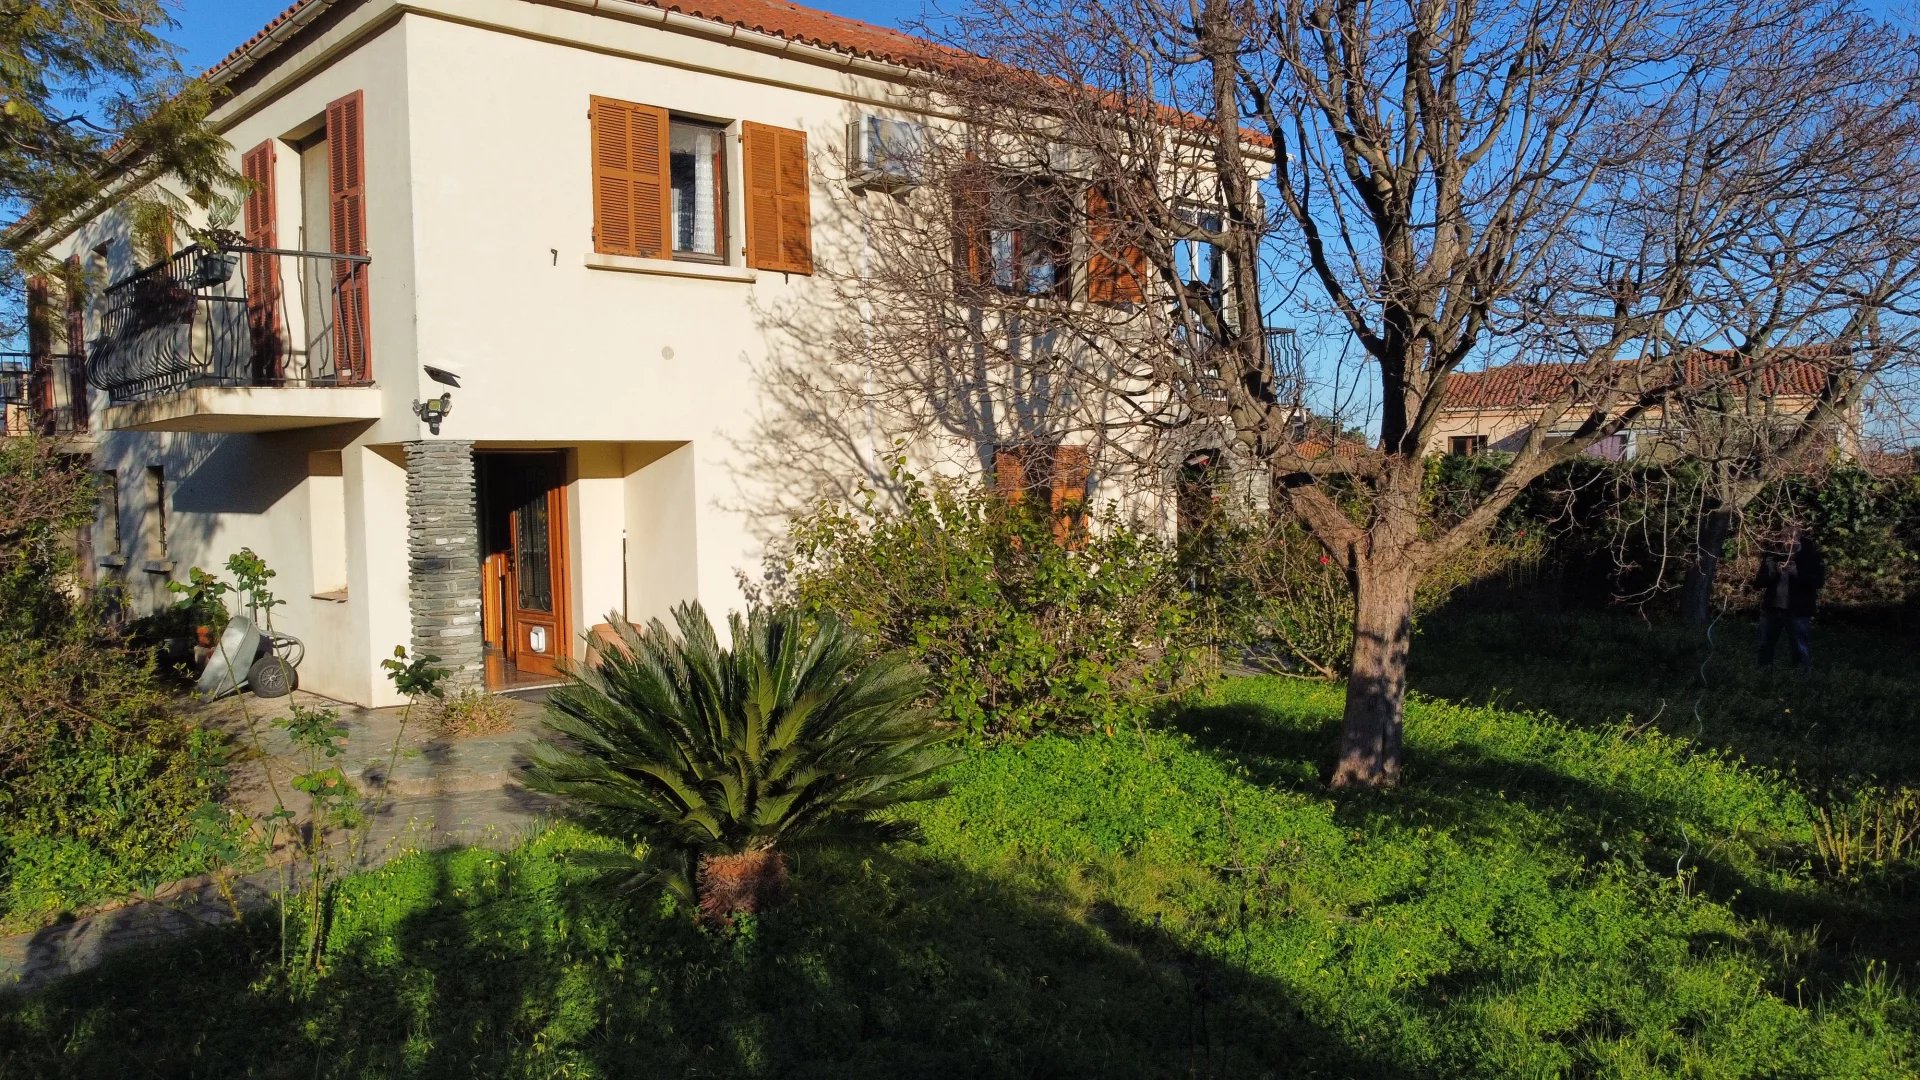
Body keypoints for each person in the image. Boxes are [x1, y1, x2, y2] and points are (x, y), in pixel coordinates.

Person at [1754, 529, 1824, 667]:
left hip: (1798, 611)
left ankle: (1800, 676)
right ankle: (1763, 675)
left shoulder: (1811, 556)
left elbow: (1818, 582)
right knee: (1765, 646)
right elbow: (1758, 583)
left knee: (1799, 649)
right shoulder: (1773, 555)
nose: (1788, 541)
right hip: (1772, 609)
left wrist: (1797, 573)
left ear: (1799, 538)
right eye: (1785, 538)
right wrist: (1771, 572)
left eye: (1792, 538)